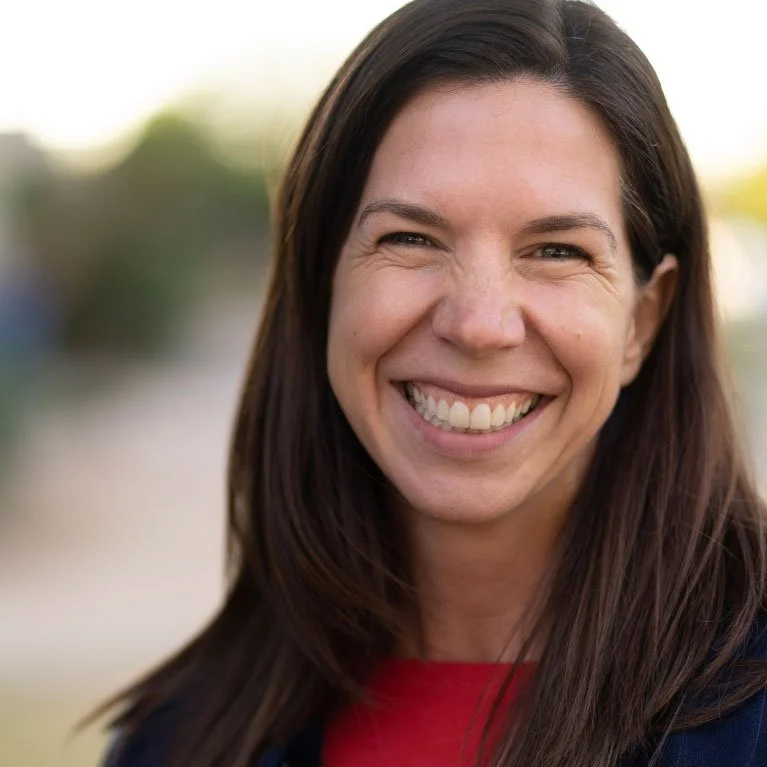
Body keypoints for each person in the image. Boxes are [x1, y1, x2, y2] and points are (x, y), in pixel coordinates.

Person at [100, 1, 767, 765]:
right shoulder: (175, 739)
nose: (479, 323)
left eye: (556, 250)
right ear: (322, 287)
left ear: (642, 321)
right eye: (410, 238)